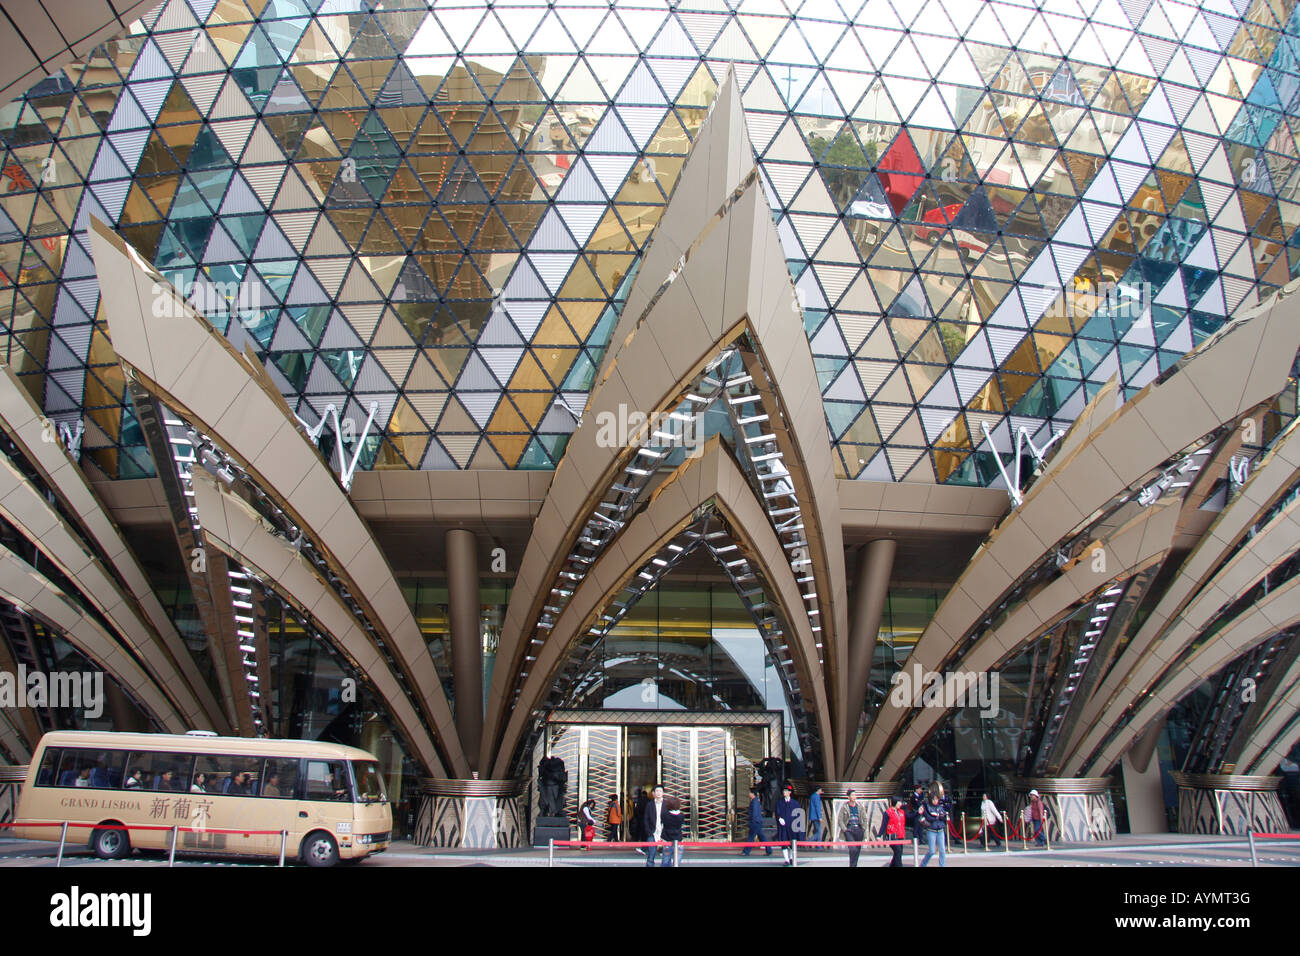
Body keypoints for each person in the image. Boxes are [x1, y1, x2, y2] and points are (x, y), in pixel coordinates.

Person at [917, 782, 949, 867]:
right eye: (934, 799)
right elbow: (928, 817)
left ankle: (942, 865)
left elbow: (944, 816)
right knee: (932, 850)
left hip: (940, 830)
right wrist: (936, 816)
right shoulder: (927, 806)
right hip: (931, 830)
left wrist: (940, 816)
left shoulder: (940, 807)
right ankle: (923, 864)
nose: (935, 801)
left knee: (942, 850)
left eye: (936, 799)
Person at [775, 784, 801, 866]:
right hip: (783, 827)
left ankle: (791, 858)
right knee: (784, 842)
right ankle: (786, 859)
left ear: (790, 792)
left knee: (792, 843)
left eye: (786, 791)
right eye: (783, 791)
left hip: (792, 826)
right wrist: (779, 818)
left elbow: (798, 815)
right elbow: (777, 812)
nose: (784, 792)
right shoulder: (780, 802)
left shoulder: (795, 803)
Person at [741, 787, 771, 857]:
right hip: (757, 822)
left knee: (751, 837)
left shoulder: (754, 801)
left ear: (752, 794)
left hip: (755, 822)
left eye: (750, 792)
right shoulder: (755, 801)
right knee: (761, 837)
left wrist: (752, 822)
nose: (748, 794)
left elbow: (754, 813)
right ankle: (769, 850)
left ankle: (746, 851)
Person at [643, 784, 667, 866]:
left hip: (664, 834)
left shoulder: (667, 804)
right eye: (657, 791)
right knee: (651, 856)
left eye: (660, 791)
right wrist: (649, 832)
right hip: (652, 833)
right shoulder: (650, 804)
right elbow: (646, 819)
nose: (658, 793)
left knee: (666, 857)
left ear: (663, 793)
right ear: (654, 793)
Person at [880, 797, 907, 867]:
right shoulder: (888, 812)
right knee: (897, 851)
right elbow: (884, 824)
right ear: (895, 802)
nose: (900, 804)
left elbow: (909, 817)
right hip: (892, 835)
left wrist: (918, 813)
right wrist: (879, 835)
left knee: (899, 853)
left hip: (900, 835)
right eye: (899, 802)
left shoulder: (901, 812)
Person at [660, 795, 685, 867]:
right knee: (677, 863)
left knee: (665, 861)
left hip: (667, 840)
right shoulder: (681, 816)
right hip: (679, 840)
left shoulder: (665, 815)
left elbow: (662, 824)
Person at [843, 789, 866, 867]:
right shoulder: (845, 807)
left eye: (855, 795)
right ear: (849, 797)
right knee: (853, 849)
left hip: (859, 829)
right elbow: (840, 819)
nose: (854, 797)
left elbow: (864, 818)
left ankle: (854, 865)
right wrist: (845, 829)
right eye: (852, 795)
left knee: (858, 849)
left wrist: (863, 828)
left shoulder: (860, 806)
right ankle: (852, 865)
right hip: (849, 829)